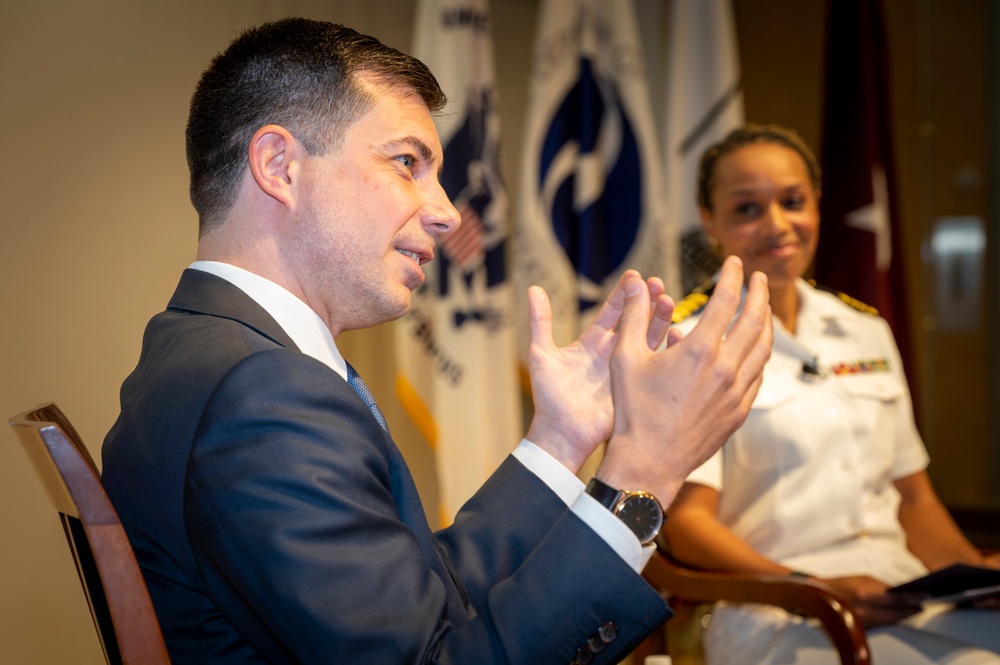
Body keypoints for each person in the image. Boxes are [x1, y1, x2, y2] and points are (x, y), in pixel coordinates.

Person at [101, 18, 773, 664]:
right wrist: (643, 475)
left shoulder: (204, 351)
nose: (448, 211)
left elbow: (419, 601)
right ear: (279, 165)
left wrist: (562, 438)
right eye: (407, 163)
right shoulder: (259, 392)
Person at [664, 123, 1000, 665]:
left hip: (901, 590)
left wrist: (974, 579)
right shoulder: (690, 343)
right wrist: (813, 585)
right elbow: (684, 525)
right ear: (710, 220)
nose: (777, 225)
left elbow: (914, 500)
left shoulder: (865, 330)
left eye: (793, 201)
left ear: (817, 205)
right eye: (748, 208)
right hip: (775, 606)